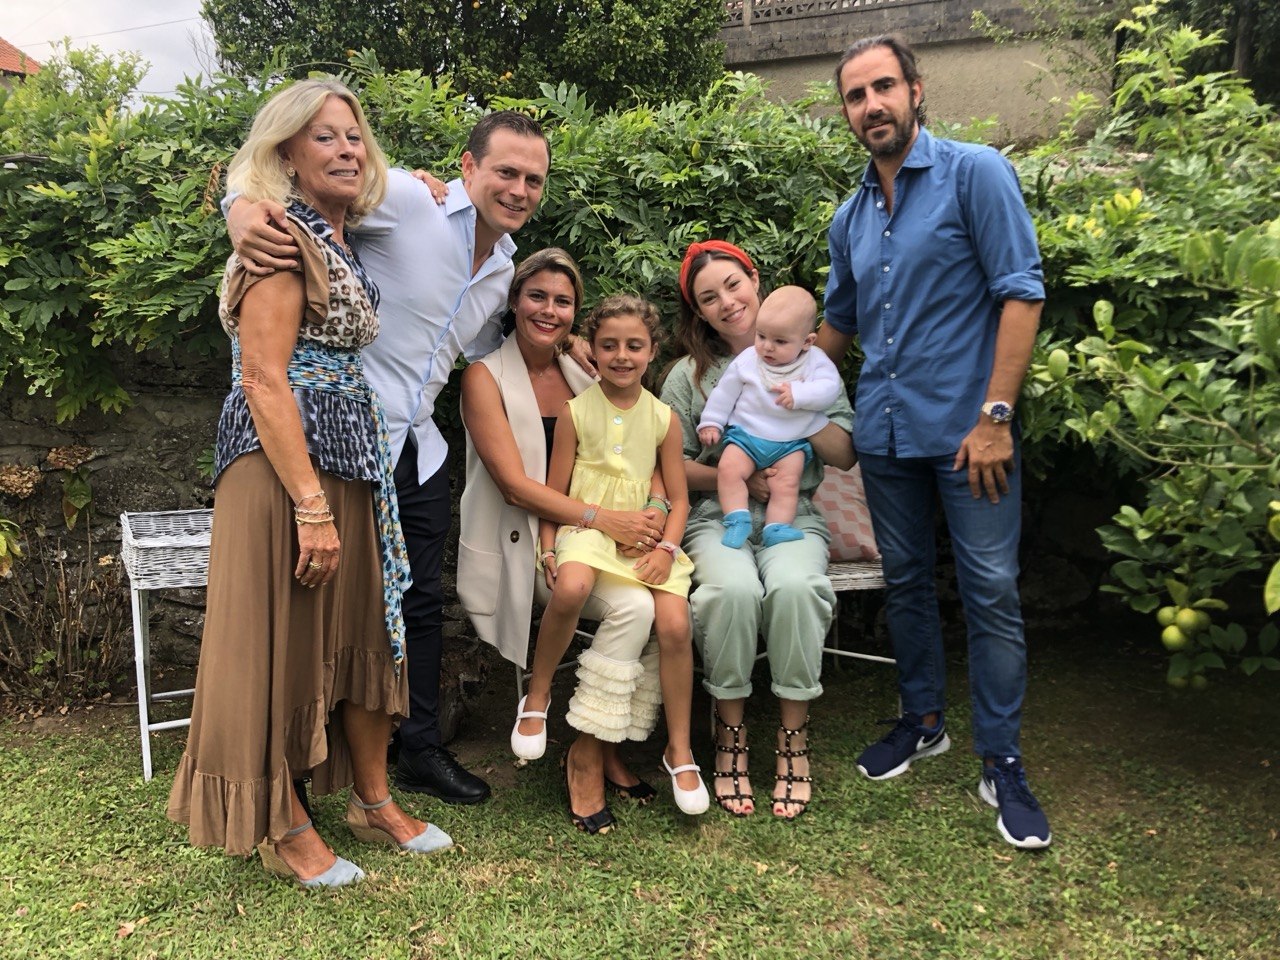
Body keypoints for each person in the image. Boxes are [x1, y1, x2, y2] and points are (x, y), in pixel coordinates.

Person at [228, 109, 563, 805]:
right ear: (467, 168)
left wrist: (568, 347)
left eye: (534, 179)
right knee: (327, 609)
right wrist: (241, 213)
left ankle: (420, 750)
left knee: (419, 604)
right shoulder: (411, 201)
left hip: (418, 449)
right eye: (505, 171)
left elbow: (479, 348)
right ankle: (303, 763)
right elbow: (298, 186)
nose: (519, 189)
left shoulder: (504, 268)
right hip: (341, 443)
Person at [167, 78, 451, 888]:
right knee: (277, 644)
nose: (347, 149)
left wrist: (433, 183)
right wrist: (311, 507)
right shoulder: (280, 238)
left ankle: (371, 800)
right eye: (325, 136)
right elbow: (262, 377)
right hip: (285, 470)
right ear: (287, 153)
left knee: (363, 631)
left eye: (355, 136)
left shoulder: (338, 235)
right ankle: (280, 823)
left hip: (349, 457)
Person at [817, 35, 1051, 849]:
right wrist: (762, 385)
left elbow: (1022, 294)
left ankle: (1003, 759)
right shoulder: (849, 217)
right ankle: (922, 722)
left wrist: (996, 418)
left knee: (990, 590)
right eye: (856, 95)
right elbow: (837, 328)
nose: (871, 105)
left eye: (884, 87)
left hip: (968, 437)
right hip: (885, 435)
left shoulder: (975, 173)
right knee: (907, 583)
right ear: (846, 112)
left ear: (916, 90)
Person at [459, 253, 671, 833]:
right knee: (625, 606)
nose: (548, 310)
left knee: (649, 604)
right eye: (537, 296)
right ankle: (575, 740)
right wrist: (605, 519)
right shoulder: (483, 377)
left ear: (576, 313)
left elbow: (642, 447)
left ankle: (593, 745)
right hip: (525, 543)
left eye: (563, 301)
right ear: (514, 301)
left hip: (593, 539)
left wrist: (655, 509)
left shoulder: (585, 370)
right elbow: (514, 485)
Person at [660, 240, 856, 820]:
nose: (726, 302)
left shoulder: (813, 367)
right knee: (732, 590)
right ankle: (731, 734)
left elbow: (844, 453)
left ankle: (793, 737)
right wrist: (744, 479)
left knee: (797, 588)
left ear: (755, 281)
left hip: (794, 517)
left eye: (733, 284)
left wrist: (795, 409)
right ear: (699, 313)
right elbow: (671, 466)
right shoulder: (689, 378)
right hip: (715, 517)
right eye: (708, 298)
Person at [529, 294, 709, 817]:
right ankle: (539, 698)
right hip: (589, 533)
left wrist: (668, 549)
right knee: (578, 586)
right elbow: (554, 492)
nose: (622, 356)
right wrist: (548, 547)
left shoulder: (663, 418)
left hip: (649, 543)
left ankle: (680, 749)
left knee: (674, 623)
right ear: (593, 350)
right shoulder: (576, 413)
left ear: (652, 351)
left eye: (634, 346)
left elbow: (679, 498)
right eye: (608, 346)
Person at [696, 286, 842, 549]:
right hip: (746, 436)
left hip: (790, 443)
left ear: (807, 342)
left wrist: (800, 394)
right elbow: (724, 393)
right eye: (761, 336)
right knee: (728, 470)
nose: (767, 347)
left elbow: (829, 389)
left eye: (780, 341)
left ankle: (777, 527)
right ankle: (736, 518)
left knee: (787, 484)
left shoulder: (815, 362)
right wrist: (711, 422)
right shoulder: (748, 360)